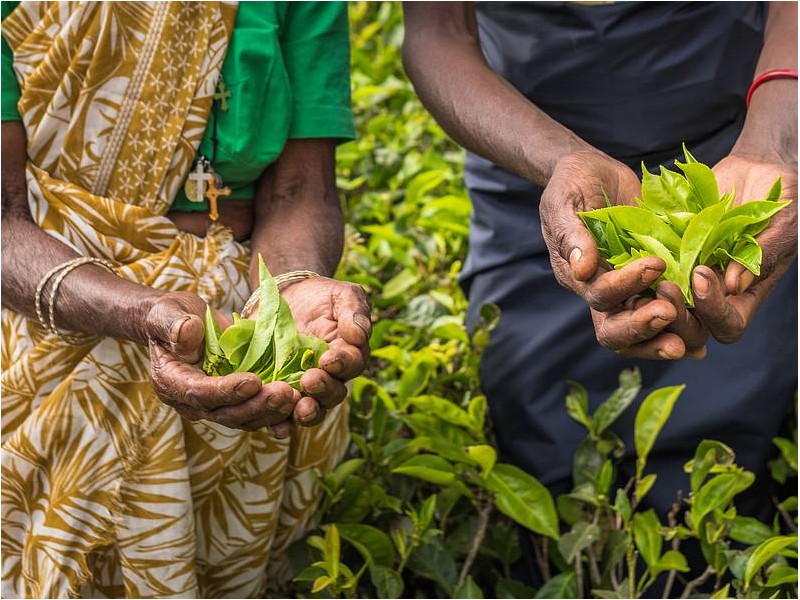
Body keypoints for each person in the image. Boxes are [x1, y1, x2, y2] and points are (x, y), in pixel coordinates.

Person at [403, 0, 797, 570]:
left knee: (739, 445)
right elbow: (436, 33)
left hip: (737, 150)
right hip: (532, 169)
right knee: (546, 434)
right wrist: (562, 159)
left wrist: (775, 144)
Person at [1, 2, 370, 598]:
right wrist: (141, 311)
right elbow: (2, 218)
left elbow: (302, 190)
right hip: (46, 314)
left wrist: (299, 285)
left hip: (240, 316)